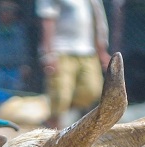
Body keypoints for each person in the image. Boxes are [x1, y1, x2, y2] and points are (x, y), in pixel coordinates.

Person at [36, 0, 111, 128]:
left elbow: (99, 21)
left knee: (93, 91)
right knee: (60, 95)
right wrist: (48, 55)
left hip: (88, 51)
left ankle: (60, 116)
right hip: (61, 50)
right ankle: (54, 129)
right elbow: (47, 22)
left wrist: (102, 51)